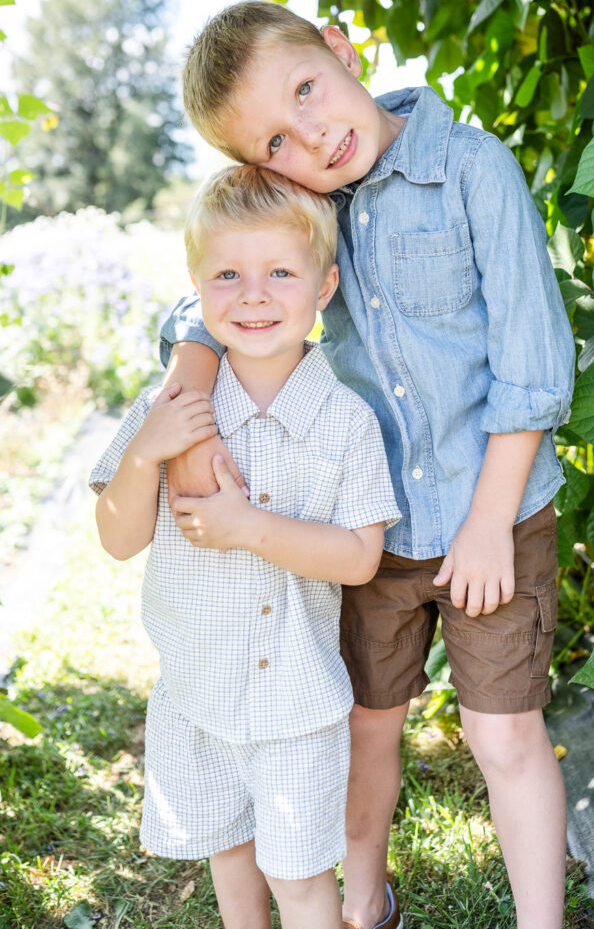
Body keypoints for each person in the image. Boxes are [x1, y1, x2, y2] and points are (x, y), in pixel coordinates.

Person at [160, 0, 576, 929]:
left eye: (306, 90)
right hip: (366, 525)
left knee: (502, 733)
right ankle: (363, 907)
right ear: (259, 168)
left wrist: (486, 525)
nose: (309, 136)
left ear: (341, 51)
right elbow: (209, 292)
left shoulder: (470, 169)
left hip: (495, 511)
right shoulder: (304, 209)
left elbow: (533, 367)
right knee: (360, 728)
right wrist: (187, 403)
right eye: (275, 141)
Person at [89, 164, 401, 929]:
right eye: (227, 274)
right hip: (194, 697)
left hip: (296, 706)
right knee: (229, 861)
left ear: (324, 286)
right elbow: (117, 539)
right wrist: (146, 452)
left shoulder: (347, 421)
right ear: (196, 286)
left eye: (280, 273)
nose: (253, 295)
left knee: (299, 880)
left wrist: (247, 528)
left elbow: (358, 557)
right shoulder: (167, 408)